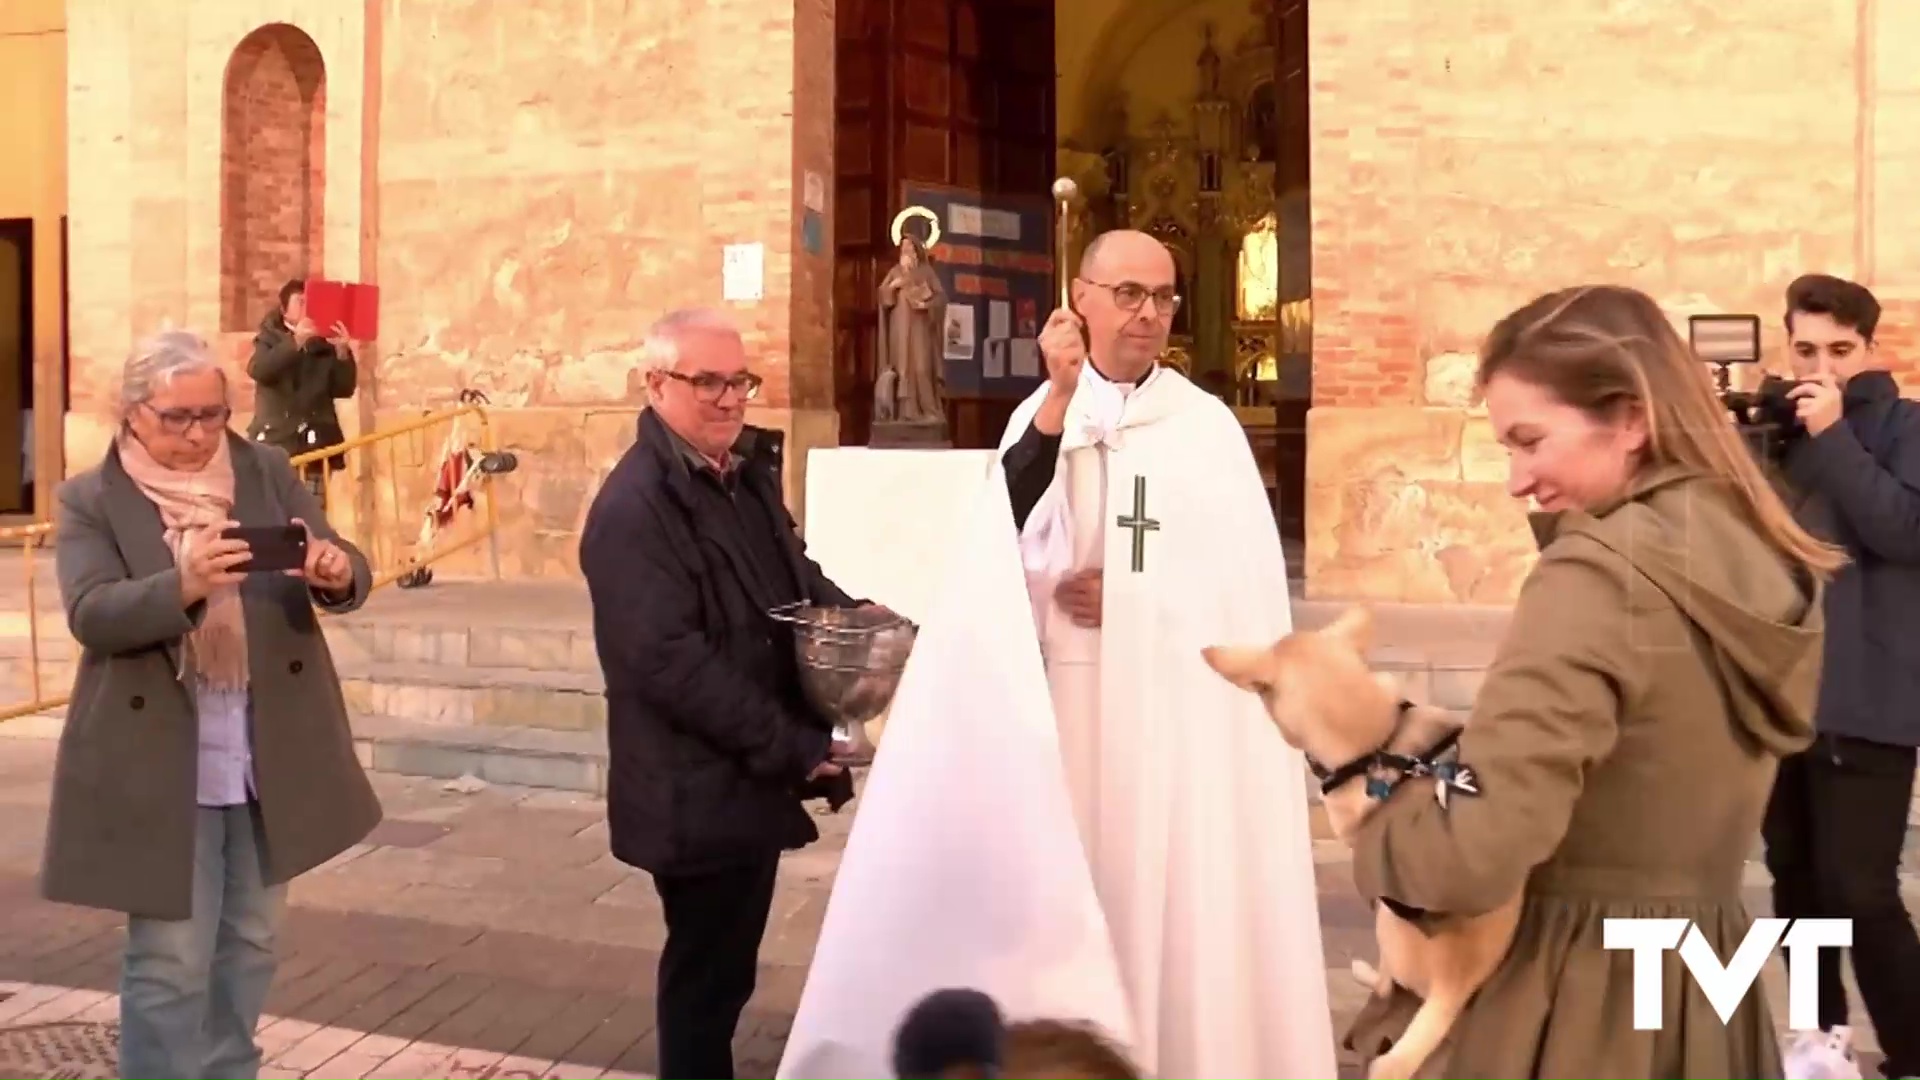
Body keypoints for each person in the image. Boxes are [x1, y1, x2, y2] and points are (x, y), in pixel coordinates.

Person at [780, 230, 1337, 1080]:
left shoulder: (1207, 431)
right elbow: (995, 545)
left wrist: (1144, 597)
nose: (1148, 314)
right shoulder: (1046, 413)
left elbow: (1248, 596)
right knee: (1084, 903)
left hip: (1175, 729)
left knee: (1174, 906)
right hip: (1071, 720)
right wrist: (1058, 411)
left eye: (1163, 296)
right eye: (1128, 294)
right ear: (1082, 298)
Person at [1343, 285, 1843, 1078]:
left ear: (1632, 418)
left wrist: (1379, 824)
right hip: (1703, 984)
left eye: (1530, 440)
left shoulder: (1599, 577)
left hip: (1579, 997)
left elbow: (1476, 849)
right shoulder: (1754, 549)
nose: (1516, 479)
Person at [44, 329, 381, 1080]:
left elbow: (341, 560)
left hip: (267, 747)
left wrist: (332, 569)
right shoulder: (90, 499)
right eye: (178, 418)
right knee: (170, 956)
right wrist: (184, 587)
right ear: (132, 414)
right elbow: (91, 612)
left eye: (213, 414)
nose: (200, 434)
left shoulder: (263, 469)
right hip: (159, 754)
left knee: (253, 942)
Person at [578, 308, 877, 1080]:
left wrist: (858, 621)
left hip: (738, 779)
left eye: (738, 380)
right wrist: (798, 747)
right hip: (691, 782)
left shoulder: (738, 478)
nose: (727, 398)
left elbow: (794, 577)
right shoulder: (634, 507)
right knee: (706, 978)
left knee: (722, 969)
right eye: (704, 381)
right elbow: (668, 666)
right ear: (655, 385)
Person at [1764, 274, 1920, 1080]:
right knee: (1795, 881)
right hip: (1780, 698)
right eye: (1804, 349)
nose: (1819, 365)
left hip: (1872, 699)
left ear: (1868, 347)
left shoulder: (1904, 428)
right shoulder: (1774, 431)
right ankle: (1821, 1046)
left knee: (1860, 888)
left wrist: (1834, 438)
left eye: (1838, 349)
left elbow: (1905, 530)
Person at [246, 278, 358, 499]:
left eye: (312, 302)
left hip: (316, 446)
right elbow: (259, 370)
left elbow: (343, 389)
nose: (308, 308)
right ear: (284, 310)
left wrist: (343, 353)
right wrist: (296, 341)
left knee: (311, 516)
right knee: (276, 514)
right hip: (278, 443)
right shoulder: (269, 338)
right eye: (301, 302)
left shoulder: (325, 344)